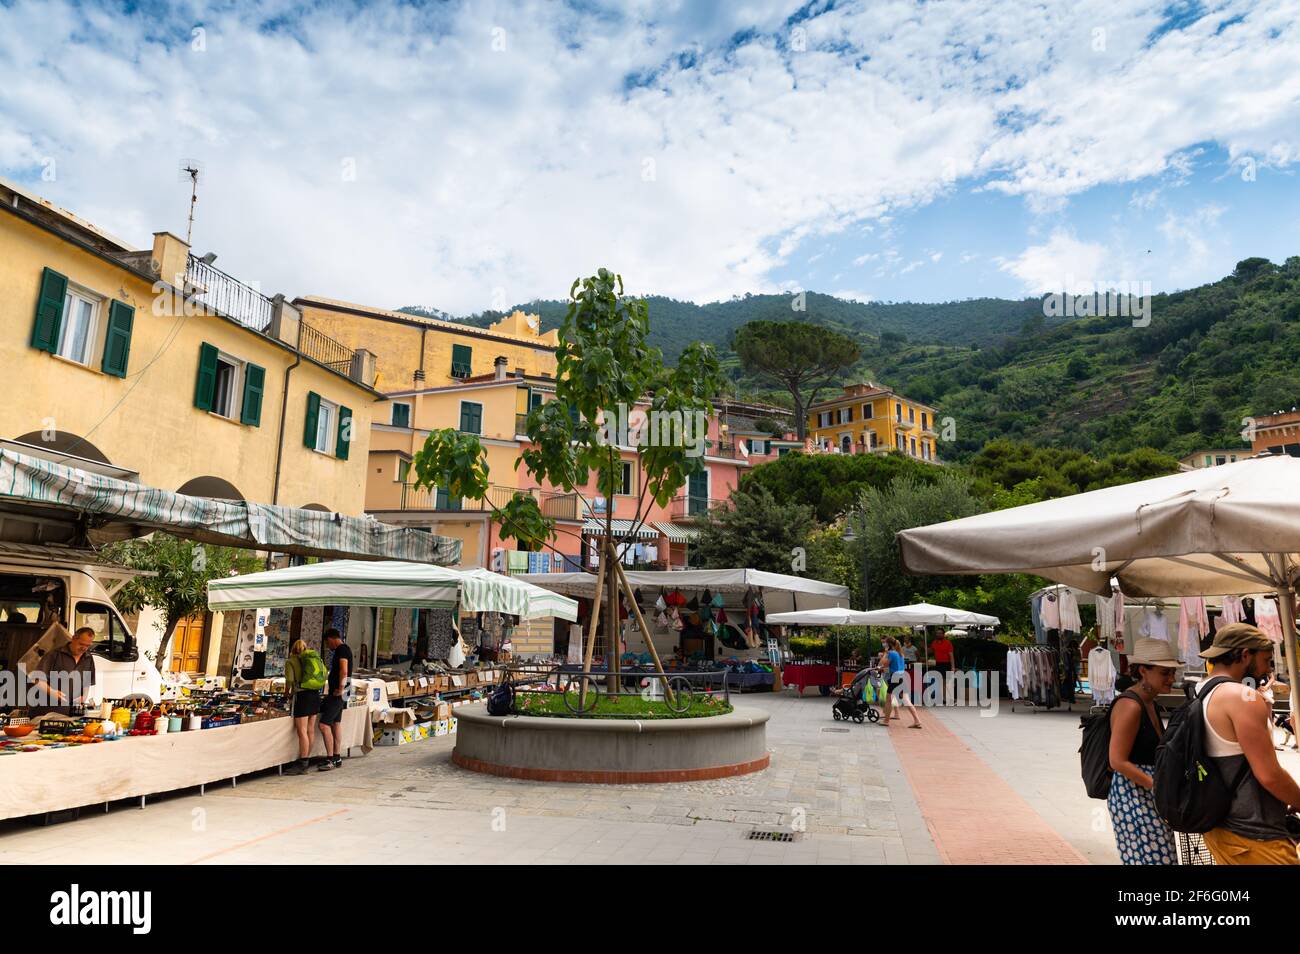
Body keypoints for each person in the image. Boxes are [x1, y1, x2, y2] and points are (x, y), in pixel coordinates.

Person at [1196, 623, 1300, 865]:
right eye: (1265, 660)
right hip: (1254, 837)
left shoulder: (1202, 692)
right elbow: (1269, 775)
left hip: (1221, 831)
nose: (1267, 670)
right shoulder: (1242, 697)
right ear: (1245, 655)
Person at [1106, 638, 1179, 865]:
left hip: (1146, 793)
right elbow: (1117, 760)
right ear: (1143, 671)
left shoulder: (1150, 703)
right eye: (1165, 673)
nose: (1171, 679)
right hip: (1133, 795)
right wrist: (1155, 786)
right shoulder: (1131, 705)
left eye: (1172, 672)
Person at [30, 626, 97, 715]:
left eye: (87, 645)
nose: (84, 648)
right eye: (81, 644)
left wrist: (83, 697)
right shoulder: (54, 655)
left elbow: (87, 683)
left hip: (71, 712)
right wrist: (52, 692)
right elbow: (36, 679)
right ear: (73, 638)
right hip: (46, 711)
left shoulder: (88, 658)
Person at [283, 639, 322, 776]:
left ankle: (302, 763)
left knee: (302, 731)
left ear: (292, 649)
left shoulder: (290, 662)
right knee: (310, 730)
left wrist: (286, 693)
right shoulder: (309, 660)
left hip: (303, 697)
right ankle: (306, 760)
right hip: (315, 695)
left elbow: (289, 681)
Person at [316, 628, 352, 771]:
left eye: (327, 643)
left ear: (331, 639)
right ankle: (337, 757)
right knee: (336, 723)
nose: (328, 646)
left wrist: (341, 688)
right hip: (344, 690)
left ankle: (330, 759)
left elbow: (344, 670)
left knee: (324, 725)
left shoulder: (341, 650)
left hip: (338, 691)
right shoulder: (346, 649)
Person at [879, 637, 921, 729]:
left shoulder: (891, 653)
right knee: (906, 700)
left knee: (889, 699)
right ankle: (917, 720)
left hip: (895, 677)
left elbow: (884, 664)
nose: (884, 644)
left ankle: (886, 721)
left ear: (889, 644)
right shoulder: (900, 653)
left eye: (885, 643)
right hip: (902, 677)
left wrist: (885, 654)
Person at [931, 630, 955, 705]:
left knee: (946, 682)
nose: (938, 634)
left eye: (940, 633)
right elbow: (931, 651)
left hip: (946, 664)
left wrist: (953, 666)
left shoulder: (948, 643)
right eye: (937, 633)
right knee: (940, 682)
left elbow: (951, 655)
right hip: (938, 664)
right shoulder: (934, 643)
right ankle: (943, 698)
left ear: (943, 634)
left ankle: (948, 698)